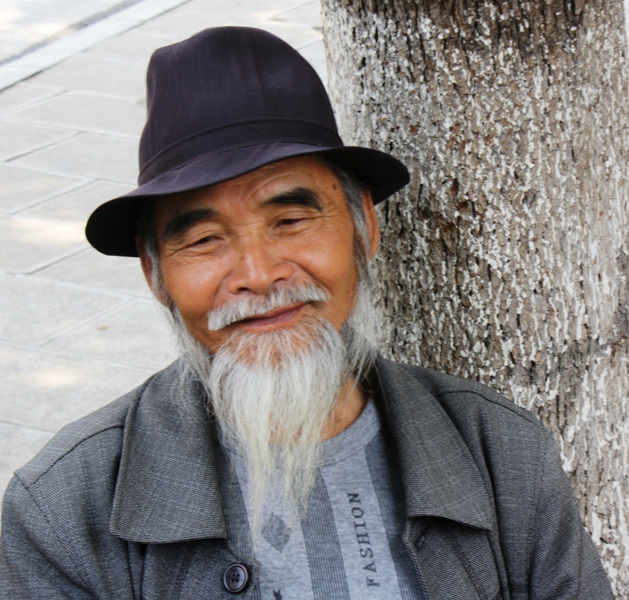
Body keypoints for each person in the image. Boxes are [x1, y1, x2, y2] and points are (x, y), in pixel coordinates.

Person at [0, 26, 612, 600]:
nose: (258, 273)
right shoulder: (62, 511)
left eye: (290, 220)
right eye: (204, 239)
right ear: (154, 273)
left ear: (364, 228)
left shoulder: (502, 453)